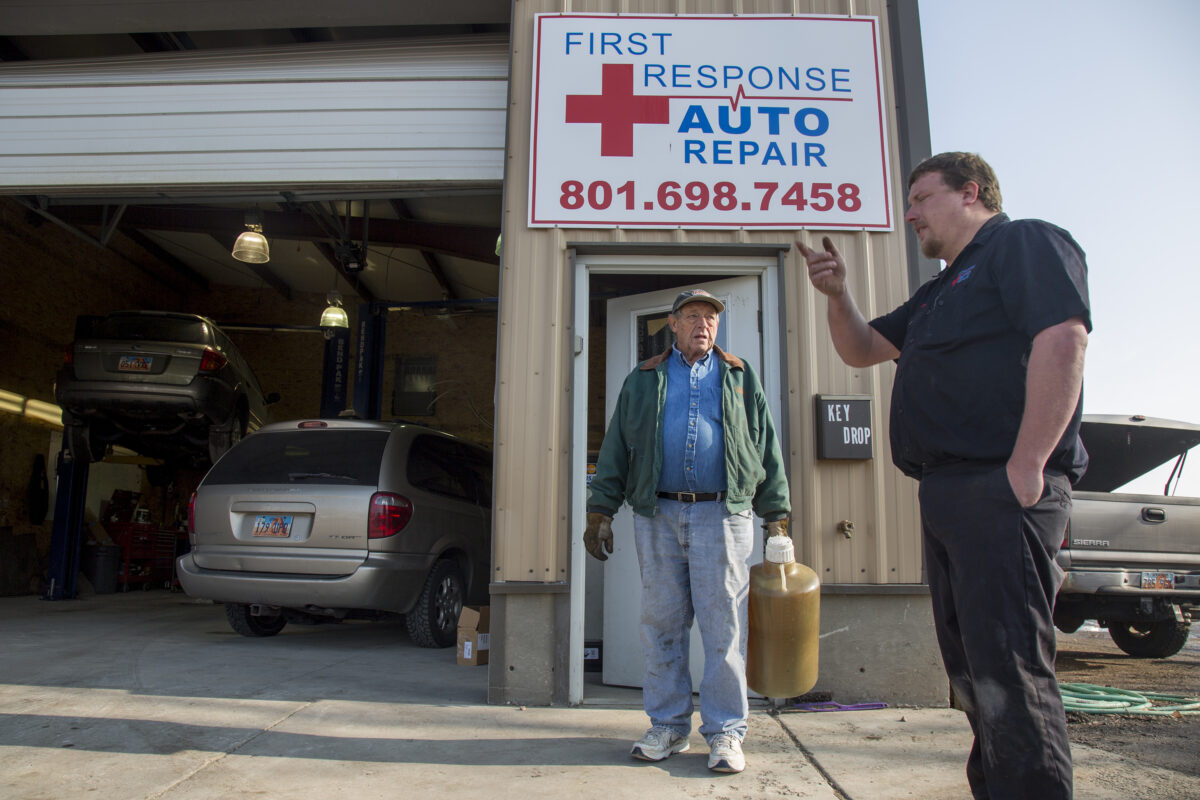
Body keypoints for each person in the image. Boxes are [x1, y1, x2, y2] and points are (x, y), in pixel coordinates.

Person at [798, 152, 1089, 800]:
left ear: (971, 192)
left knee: (1010, 673)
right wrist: (838, 295)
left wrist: (1026, 466)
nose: (909, 214)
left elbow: (1064, 339)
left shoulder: (1023, 243)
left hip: (1003, 490)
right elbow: (862, 348)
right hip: (951, 498)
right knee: (973, 675)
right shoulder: (937, 293)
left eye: (921, 198)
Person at [583, 288, 791, 775]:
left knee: (724, 630)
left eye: (711, 317)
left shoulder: (739, 375)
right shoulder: (644, 378)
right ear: (671, 324)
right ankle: (668, 726)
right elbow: (616, 447)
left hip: (724, 516)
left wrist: (776, 514)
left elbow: (765, 445)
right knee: (662, 625)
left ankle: (725, 733)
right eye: (693, 316)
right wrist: (600, 510)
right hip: (658, 515)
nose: (704, 324)